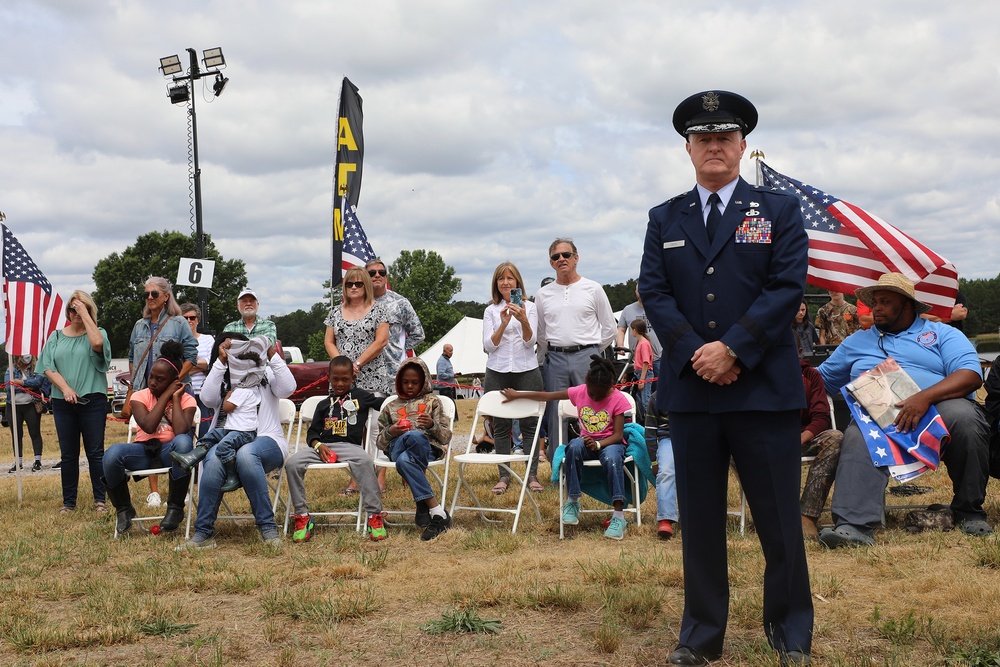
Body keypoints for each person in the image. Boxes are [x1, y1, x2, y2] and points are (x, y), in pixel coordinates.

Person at [638, 90, 813, 666]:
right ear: (688, 148)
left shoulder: (780, 211)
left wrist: (734, 348)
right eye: (703, 138)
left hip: (763, 390)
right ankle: (700, 637)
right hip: (692, 394)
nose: (714, 146)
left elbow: (786, 288)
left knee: (780, 523)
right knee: (701, 525)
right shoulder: (664, 217)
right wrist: (696, 352)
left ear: (742, 146)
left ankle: (791, 635)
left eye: (725, 137)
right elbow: (654, 294)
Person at [816, 273, 992, 547]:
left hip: (937, 408)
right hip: (877, 416)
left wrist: (923, 398)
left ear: (907, 305)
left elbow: (970, 374)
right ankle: (854, 526)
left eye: (885, 302)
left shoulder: (942, 334)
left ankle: (969, 511)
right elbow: (819, 381)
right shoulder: (856, 342)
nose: (876, 308)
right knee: (857, 435)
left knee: (966, 417)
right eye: (875, 302)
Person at [175, 333, 296, 550]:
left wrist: (269, 352)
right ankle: (202, 534)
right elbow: (208, 399)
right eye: (233, 351)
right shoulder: (222, 377)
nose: (239, 355)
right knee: (212, 459)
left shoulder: (265, 374)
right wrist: (221, 362)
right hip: (225, 439)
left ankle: (268, 528)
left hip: (266, 439)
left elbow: (288, 388)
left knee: (246, 453)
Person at [501, 356, 632, 540]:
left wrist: (599, 444)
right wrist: (518, 394)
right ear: (586, 384)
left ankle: (618, 516)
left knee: (611, 459)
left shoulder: (618, 399)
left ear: (610, 387)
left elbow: (618, 435)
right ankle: (572, 501)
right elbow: (547, 396)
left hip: (610, 443)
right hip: (586, 442)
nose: (593, 397)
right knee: (573, 447)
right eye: (591, 393)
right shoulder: (581, 391)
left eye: (598, 395)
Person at [284, 356, 387, 543]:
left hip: (350, 447)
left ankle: (374, 515)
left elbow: (385, 405)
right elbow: (312, 434)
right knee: (292, 463)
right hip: (323, 448)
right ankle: (302, 516)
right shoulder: (323, 405)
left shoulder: (361, 396)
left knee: (365, 460)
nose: (340, 383)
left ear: (353, 379)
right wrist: (318, 445)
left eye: (345, 379)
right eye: (336, 379)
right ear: (329, 377)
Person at [102, 341, 197, 535]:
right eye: (151, 376)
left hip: (170, 453)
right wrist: (165, 396)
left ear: (173, 381)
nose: (152, 382)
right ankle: (124, 509)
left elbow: (180, 431)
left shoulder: (187, 399)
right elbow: (148, 425)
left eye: (160, 379)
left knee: (184, 442)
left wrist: (176, 398)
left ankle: (175, 508)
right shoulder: (140, 396)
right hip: (143, 452)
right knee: (112, 454)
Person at [535, 238, 617, 459]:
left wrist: (591, 350)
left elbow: (609, 327)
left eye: (566, 255)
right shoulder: (542, 295)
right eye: (555, 256)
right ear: (551, 263)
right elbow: (540, 333)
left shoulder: (593, 288)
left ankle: (598, 459)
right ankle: (558, 465)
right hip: (556, 357)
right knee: (555, 412)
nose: (561, 259)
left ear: (576, 258)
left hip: (587, 356)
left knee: (593, 409)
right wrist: (554, 350)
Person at [38, 290, 112, 514]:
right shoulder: (56, 336)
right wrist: (65, 388)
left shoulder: (98, 332)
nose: (75, 312)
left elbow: (98, 345)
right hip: (63, 401)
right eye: (72, 308)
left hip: (93, 399)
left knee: (95, 452)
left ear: (90, 310)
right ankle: (69, 502)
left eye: (81, 308)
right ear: (67, 311)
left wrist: (85, 315)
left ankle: (100, 500)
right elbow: (47, 367)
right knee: (68, 454)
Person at [128, 276, 198, 507]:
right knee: (148, 437)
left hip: (174, 391)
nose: (149, 298)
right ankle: (154, 492)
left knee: (178, 436)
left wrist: (173, 384)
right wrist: (136, 384)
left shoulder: (178, 323)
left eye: (154, 294)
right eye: (146, 294)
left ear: (166, 296)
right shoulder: (139, 325)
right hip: (145, 390)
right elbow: (132, 358)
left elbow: (191, 355)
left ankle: (180, 487)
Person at [170, 336, 270, 493]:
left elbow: (227, 407)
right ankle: (192, 457)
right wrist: (221, 362)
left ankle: (232, 476)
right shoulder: (241, 386)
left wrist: (229, 394)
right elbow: (208, 398)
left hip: (243, 432)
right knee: (210, 436)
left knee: (223, 446)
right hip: (232, 429)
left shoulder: (245, 389)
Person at [324, 266, 391, 494]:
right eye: (349, 284)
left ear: (366, 285)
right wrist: (343, 366)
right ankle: (356, 477)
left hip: (373, 377)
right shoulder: (334, 311)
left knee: (375, 429)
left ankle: (379, 475)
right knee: (350, 428)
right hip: (344, 380)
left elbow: (381, 341)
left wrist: (357, 364)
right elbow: (329, 342)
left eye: (358, 283)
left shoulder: (379, 310)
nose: (353, 287)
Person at [482, 261, 545, 494]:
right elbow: (489, 345)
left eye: (510, 278)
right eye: (501, 279)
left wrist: (522, 320)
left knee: (530, 425)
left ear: (518, 282)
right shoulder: (490, 311)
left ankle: (532, 476)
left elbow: (531, 342)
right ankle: (503, 476)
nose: (506, 282)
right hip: (497, 370)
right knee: (500, 426)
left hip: (526, 369)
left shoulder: (529, 307)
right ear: (496, 284)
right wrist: (503, 323)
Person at [376, 358, 453, 541]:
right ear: (398, 382)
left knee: (406, 458)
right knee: (413, 437)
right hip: (397, 446)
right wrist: (391, 431)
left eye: (415, 382)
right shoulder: (390, 406)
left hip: (428, 449)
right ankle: (435, 509)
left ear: (424, 381)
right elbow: (379, 442)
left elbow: (446, 437)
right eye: (405, 382)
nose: (409, 386)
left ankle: (427, 507)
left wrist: (432, 425)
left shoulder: (433, 401)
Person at [798, 357, 843, 541]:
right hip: (765, 440)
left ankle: (807, 515)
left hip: (801, 438)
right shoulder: (754, 373)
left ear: (798, 351)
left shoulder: (810, 375)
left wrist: (799, 439)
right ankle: (771, 513)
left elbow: (821, 417)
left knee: (835, 438)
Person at [365, 258, 425, 378]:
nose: (377, 275)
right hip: (367, 374)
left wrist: (399, 349)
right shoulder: (359, 303)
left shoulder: (400, 302)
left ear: (386, 277)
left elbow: (418, 334)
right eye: (372, 273)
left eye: (381, 273)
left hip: (394, 374)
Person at [5, 354, 46, 473]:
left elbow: (38, 382)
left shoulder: (36, 368)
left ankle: (37, 460)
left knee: (35, 432)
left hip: (31, 405)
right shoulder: (11, 369)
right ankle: (18, 462)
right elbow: (8, 386)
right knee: (16, 434)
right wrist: (28, 386)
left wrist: (20, 383)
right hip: (13, 406)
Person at [645, 391, 677, 540]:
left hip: (694, 437)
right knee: (666, 472)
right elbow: (650, 432)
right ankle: (666, 518)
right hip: (667, 438)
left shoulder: (696, 391)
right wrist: (654, 461)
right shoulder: (656, 397)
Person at [180, 303, 215, 438]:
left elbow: (209, 364)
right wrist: (198, 365)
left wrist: (186, 366)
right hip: (182, 394)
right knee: (184, 435)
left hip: (203, 394)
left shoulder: (207, 340)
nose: (189, 321)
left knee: (205, 435)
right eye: (185, 318)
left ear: (197, 320)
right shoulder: (176, 341)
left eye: (192, 317)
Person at [616, 286, 662, 378]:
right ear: (635, 292)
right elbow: (621, 329)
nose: (641, 292)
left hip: (658, 359)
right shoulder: (628, 310)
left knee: (659, 390)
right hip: (638, 362)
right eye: (639, 290)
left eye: (643, 289)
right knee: (641, 390)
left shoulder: (658, 307)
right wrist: (620, 344)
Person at [631, 319, 654, 422]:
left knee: (646, 401)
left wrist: (642, 379)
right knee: (640, 401)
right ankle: (644, 421)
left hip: (644, 373)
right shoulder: (640, 342)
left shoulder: (644, 343)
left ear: (635, 330)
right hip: (639, 372)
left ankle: (652, 421)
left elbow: (646, 362)